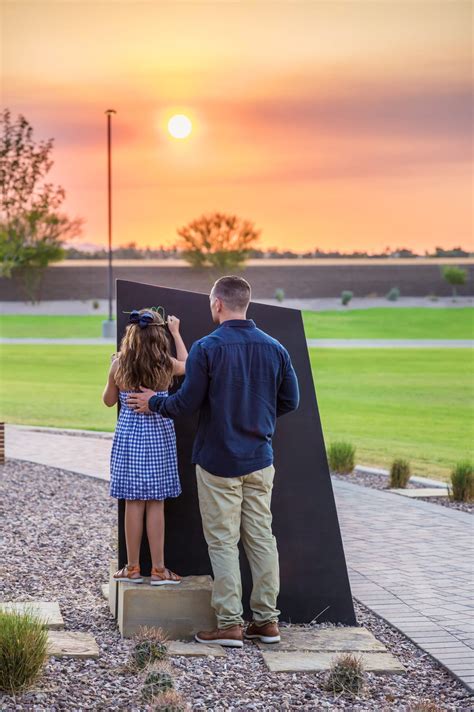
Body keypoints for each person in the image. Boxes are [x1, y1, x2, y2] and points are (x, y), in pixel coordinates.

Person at [128, 276, 300, 647]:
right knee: (261, 539)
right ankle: (267, 621)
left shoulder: (208, 348)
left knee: (222, 542)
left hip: (217, 461)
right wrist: (261, 421)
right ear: (246, 303)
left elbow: (185, 403)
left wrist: (153, 401)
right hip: (260, 458)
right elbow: (291, 401)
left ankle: (229, 624)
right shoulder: (275, 348)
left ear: (218, 304)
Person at [103, 308, 188, 585]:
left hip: (130, 436)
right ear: (158, 335)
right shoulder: (164, 363)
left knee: (133, 501)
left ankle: (132, 568)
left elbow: (108, 401)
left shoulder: (119, 364)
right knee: (155, 503)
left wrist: (111, 374)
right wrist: (176, 332)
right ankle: (159, 569)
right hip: (159, 434)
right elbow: (187, 365)